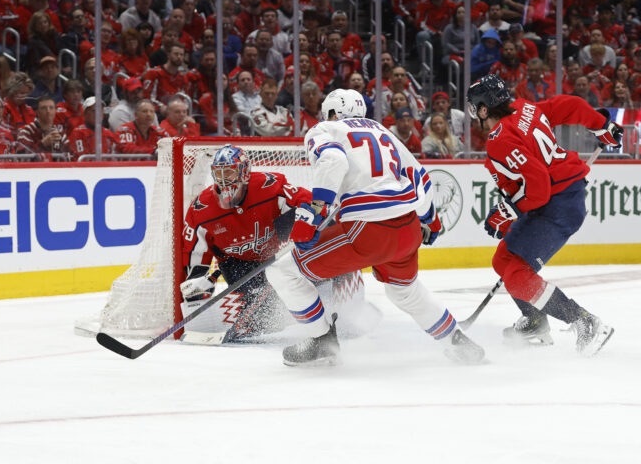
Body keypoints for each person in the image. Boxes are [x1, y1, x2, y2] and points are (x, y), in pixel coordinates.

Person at [264, 89, 484, 366]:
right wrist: (431, 218)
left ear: (331, 112)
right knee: (406, 291)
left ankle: (322, 341)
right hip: (408, 228)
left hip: (368, 230)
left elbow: (333, 161)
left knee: (283, 271)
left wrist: (313, 216)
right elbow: (418, 174)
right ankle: (457, 340)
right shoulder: (382, 130)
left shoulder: (325, 129)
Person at [466, 74, 621, 355]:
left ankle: (586, 323)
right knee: (503, 259)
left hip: (558, 205)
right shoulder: (525, 108)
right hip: (556, 198)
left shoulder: (499, 139)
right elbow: (567, 105)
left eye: (475, 107)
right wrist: (600, 124)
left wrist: (508, 209)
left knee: (517, 277)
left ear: (484, 109)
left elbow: (538, 187)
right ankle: (536, 321)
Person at [179, 144, 312, 342]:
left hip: (277, 255)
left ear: (244, 172)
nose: (224, 178)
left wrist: (307, 221)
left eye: (230, 172)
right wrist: (197, 278)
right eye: (219, 172)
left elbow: (306, 202)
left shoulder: (269, 186)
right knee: (264, 312)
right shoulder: (201, 208)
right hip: (237, 264)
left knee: (305, 281)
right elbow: (194, 252)